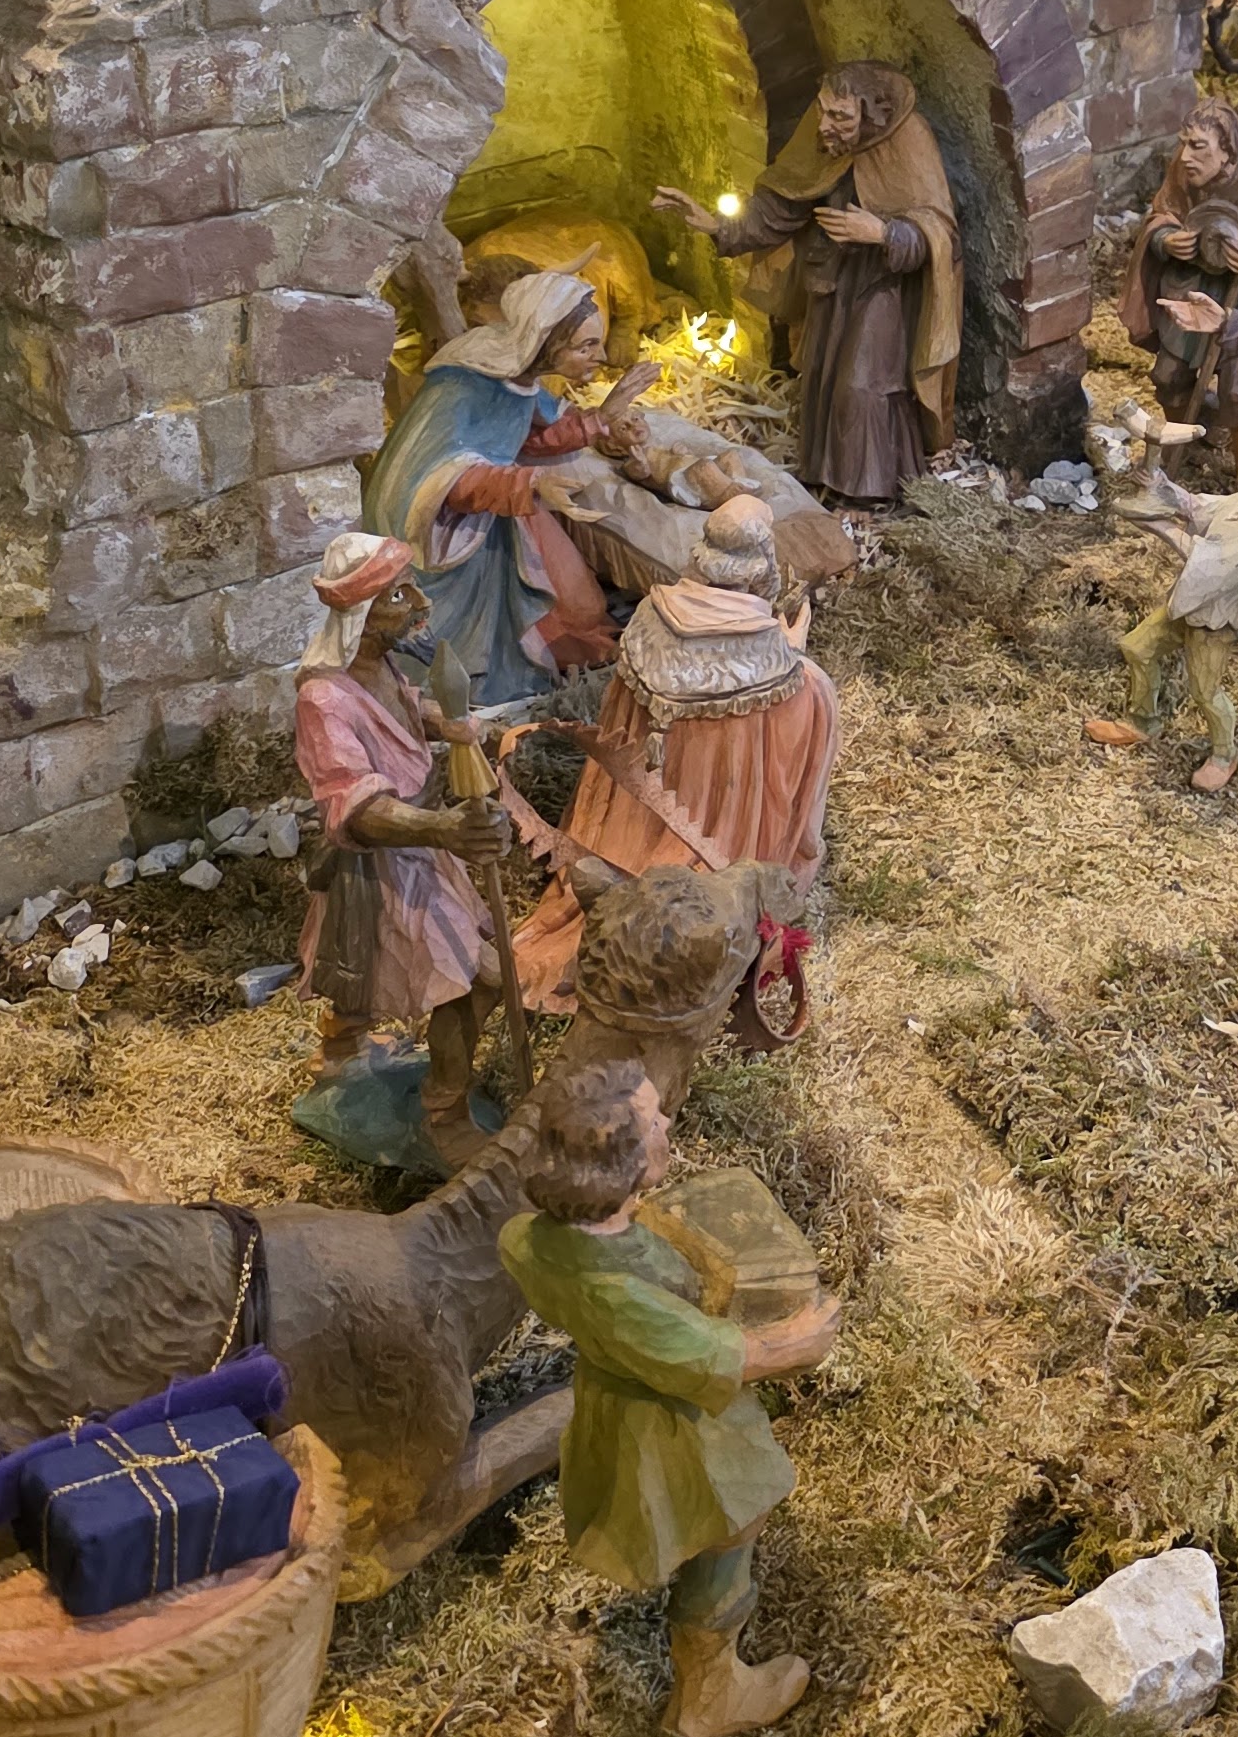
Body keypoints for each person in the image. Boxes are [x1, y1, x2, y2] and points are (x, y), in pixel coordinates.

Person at [499, 1049, 839, 1737]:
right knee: (724, 1531)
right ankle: (708, 1696)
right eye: (654, 1121)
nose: (668, 1126)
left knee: (702, 1527)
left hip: (613, 1398)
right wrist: (795, 1341)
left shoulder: (532, 1237)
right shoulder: (614, 1293)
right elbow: (709, 1353)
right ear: (619, 1161)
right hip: (676, 1428)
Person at [511, 480, 840, 1022]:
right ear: (761, 560)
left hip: (640, 806)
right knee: (817, 690)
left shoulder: (651, 613)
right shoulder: (770, 655)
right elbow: (788, 718)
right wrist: (795, 652)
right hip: (714, 825)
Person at [292, 534, 512, 1176]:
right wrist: (443, 828)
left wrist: (445, 724)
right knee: (475, 982)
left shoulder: (380, 667)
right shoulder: (322, 700)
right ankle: (445, 1115)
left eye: (411, 587)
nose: (420, 603)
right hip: (385, 865)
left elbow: (402, 711)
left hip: (423, 851)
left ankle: (343, 1049)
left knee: (362, 968)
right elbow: (355, 804)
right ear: (361, 615)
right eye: (398, 595)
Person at [656, 63, 962, 503]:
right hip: (831, 277)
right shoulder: (823, 142)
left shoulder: (908, 140)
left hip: (885, 287)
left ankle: (871, 492)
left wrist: (883, 233)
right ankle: (827, 481)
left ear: (870, 115)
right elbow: (782, 207)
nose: (824, 125)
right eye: (822, 110)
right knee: (822, 378)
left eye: (840, 116)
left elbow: (940, 235)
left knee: (862, 386)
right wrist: (716, 225)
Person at [361, 268, 628, 709]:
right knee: (549, 619)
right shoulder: (464, 385)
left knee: (584, 610)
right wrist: (530, 483)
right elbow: (441, 479)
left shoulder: (519, 377)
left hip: (499, 502)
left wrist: (603, 417)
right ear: (546, 342)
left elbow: (532, 436)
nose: (599, 356)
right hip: (445, 534)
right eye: (586, 346)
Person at [1103, 440, 1238, 790]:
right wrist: (1161, 484)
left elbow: (1204, 561)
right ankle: (1143, 721)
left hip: (1213, 627)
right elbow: (1196, 506)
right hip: (1186, 606)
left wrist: (1157, 525)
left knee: (1205, 693)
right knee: (1137, 648)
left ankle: (1225, 754)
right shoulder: (1237, 505)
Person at [1117, 97, 1238, 459]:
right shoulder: (1184, 169)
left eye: (1198, 146)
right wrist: (1166, 239)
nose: (1185, 156)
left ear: (1227, 150)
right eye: (1183, 143)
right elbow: (1162, 214)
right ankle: (1185, 447)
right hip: (1190, 288)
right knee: (1169, 377)